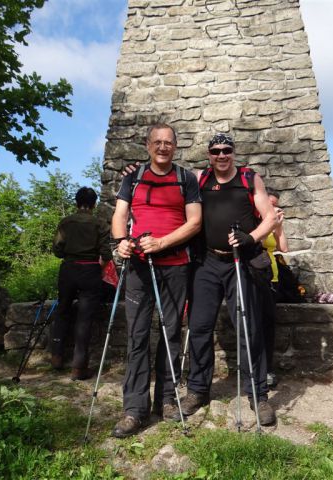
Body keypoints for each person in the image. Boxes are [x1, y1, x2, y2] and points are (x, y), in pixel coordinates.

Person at [180, 133, 278, 425]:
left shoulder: (250, 178)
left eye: (226, 150)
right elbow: (169, 183)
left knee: (249, 328)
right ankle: (197, 390)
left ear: (233, 152)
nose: (221, 155)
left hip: (241, 260)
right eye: (215, 151)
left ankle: (258, 396)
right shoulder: (198, 178)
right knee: (199, 327)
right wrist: (133, 172)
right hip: (207, 262)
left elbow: (270, 217)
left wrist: (252, 237)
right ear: (208, 154)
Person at [111, 123, 202, 437]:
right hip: (138, 267)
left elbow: (195, 222)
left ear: (175, 147)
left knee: (170, 334)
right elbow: (120, 215)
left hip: (175, 265)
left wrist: (163, 242)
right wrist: (121, 241)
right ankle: (134, 410)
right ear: (147, 145)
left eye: (168, 143)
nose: (163, 147)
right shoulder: (132, 177)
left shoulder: (185, 178)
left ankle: (166, 399)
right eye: (157, 142)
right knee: (136, 337)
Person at [51, 187, 112, 380]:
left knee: (62, 309)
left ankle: (56, 357)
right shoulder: (100, 224)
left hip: (68, 269)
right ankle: (78, 367)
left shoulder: (66, 222)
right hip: (90, 271)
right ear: (94, 204)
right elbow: (106, 254)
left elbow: (57, 251)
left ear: (76, 202)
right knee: (84, 318)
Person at [260, 188, 289, 388]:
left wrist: (278, 227)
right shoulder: (254, 221)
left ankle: (268, 369)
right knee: (256, 325)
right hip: (255, 276)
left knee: (269, 325)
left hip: (273, 276)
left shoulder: (273, 224)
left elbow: (284, 248)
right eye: (270, 203)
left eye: (276, 204)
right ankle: (256, 369)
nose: (274, 207)